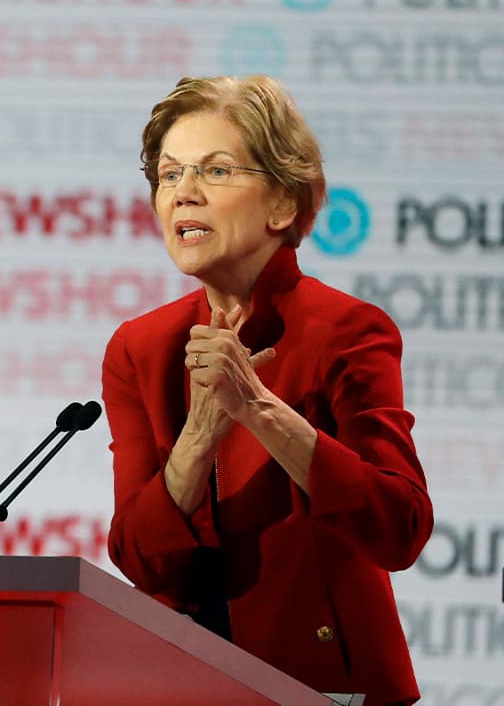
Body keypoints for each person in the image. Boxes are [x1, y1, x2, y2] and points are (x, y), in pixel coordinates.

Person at [101, 75, 432, 705]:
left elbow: (400, 527)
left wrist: (257, 408)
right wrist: (198, 437)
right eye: (169, 175)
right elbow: (142, 563)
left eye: (216, 171)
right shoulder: (140, 348)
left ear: (282, 204)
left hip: (328, 686)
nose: (184, 194)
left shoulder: (347, 331)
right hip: (184, 685)